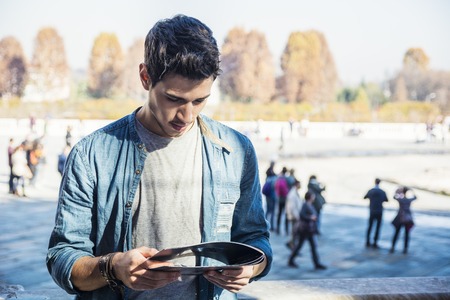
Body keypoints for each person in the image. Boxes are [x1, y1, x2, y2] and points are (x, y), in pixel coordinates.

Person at [47, 15, 272, 300]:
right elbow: (61, 258)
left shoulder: (236, 150)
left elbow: (255, 241)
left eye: (200, 100)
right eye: (174, 99)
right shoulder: (91, 155)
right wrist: (113, 267)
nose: (187, 115)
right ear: (145, 77)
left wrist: (250, 269)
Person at [288, 191, 326, 270]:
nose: (314, 197)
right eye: (313, 196)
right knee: (300, 246)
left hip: (310, 230)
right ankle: (291, 260)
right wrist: (311, 217)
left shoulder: (310, 204)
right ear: (310, 197)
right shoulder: (305, 205)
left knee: (313, 247)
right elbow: (302, 215)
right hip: (304, 230)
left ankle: (316, 263)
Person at [390, 186, 417, 254]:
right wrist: (412, 190)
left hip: (400, 218)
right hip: (407, 219)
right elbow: (415, 197)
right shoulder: (408, 200)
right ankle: (405, 248)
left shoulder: (401, 200)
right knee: (406, 234)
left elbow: (394, 197)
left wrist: (397, 191)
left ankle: (393, 247)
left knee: (396, 233)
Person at [363, 178, 389, 248]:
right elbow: (386, 200)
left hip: (372, 211)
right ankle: (375, 242)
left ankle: (367, 241)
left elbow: (364, 197)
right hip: (379, 211)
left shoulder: (371, 191)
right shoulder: (382, 192)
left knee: (370, 226)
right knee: (377, 227)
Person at [285, 179, 302, 249]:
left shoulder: (295, 192)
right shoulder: (292, 194)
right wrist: (297, 217)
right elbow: (292, 207)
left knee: (295, 232)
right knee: (294, 232)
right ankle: (292, 246)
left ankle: (292, 245)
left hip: (295, 216)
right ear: (296, 184)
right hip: (294, 217)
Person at [275, 166, 290, 235]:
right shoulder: (286, 178)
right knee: (286, 214)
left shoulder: (278, 178)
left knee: (279, 214)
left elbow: (274, 186)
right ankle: (286, 230)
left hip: (279, 198)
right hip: (286, 199)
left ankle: (278, 229)